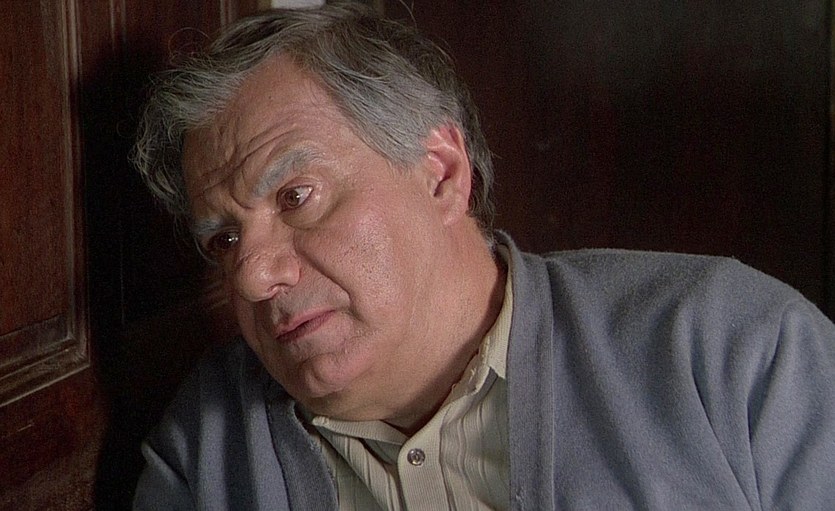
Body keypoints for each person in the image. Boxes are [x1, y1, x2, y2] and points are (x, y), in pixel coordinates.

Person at [130, 2, 835, 509]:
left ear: (440, 172)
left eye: (296, 196)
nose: (253, 275)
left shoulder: (731, 348)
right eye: (225, 239)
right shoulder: (208, 451)